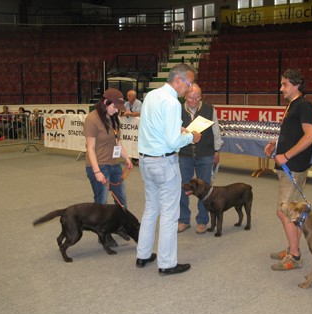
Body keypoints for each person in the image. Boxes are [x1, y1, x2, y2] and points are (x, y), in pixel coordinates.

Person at [136, 63, 201, 276]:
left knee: (151, 209)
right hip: (164, 163)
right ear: (178, 80)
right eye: (189, 84)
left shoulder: (151, 96)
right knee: (170, 214)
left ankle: (143, 255)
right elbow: (173, 143)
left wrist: (177, 131)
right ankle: (167, 263)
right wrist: (192, 136)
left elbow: (156, 128)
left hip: (146, 160)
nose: (189, 90)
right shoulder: (172, 103)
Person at [264, 69, 312, 271]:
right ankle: (293, 248)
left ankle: (295, 256)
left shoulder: (304, 105)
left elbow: (310, 136)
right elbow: (293, 134)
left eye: (284, 84)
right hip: (288, 165)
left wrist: (286, 155)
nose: (281, 88)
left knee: (285, 212)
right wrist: (276, 144)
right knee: (289, 211)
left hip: (292, 166)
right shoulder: (293, 105)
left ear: (296, 85)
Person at [84, 88, 134, 247]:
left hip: (114, 166)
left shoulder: (112, 118)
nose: (116, 110)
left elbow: (117, 142)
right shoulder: (92, 119)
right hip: (99, 166)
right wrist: (97, 171)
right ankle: (103, 233)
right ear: (106, 102)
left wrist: (126, 158)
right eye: (115, 106)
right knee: (101, 202)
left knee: (121, 199)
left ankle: (120, 226)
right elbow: (90, 148)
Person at [177, 83, 222, 234]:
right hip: (185, 155)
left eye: (197, 97)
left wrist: (217, 150)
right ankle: (183, 219)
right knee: (183, 187)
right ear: (185, 96)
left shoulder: (209, 109)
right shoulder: (177, 109)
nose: (194, 101)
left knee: (205, 189)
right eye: (190, 97)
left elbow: (216, 131)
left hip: (206, 154)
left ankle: (202, 220)